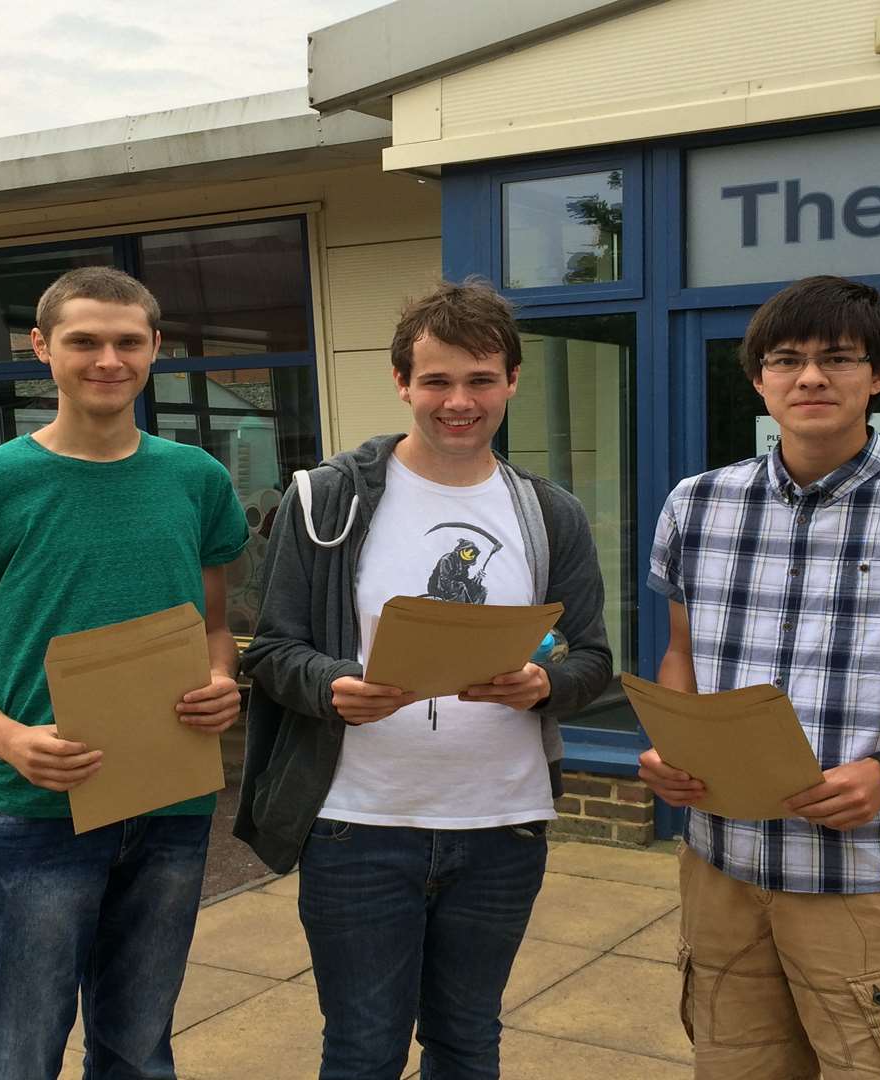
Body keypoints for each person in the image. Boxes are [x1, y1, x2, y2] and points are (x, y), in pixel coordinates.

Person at [637, 275, 880, 1079]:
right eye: (786, 360)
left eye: (838, 358)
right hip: (725, 864)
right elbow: (682, 653)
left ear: (879, 375)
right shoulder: (697, 505)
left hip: (871, 872)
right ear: (758, 378)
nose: (810, 378)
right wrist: (671, 748)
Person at [237, 279, 613, 1080]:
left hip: (503, 825)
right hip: (356, 826)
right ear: (402, 382)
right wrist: (335, 683)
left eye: (481, 380)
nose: (459, 401)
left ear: (512, 381)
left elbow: (593, 662)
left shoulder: (552, 515)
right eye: (437, 380)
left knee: (469, 1043)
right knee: (364, 1052)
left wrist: (544, 686)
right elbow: (270, 652)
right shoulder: (325, 499)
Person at [0, 266, 249, 1080]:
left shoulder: (196, 479)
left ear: (155, 349)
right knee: (22, 1049)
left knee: (138, 1045)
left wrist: (222, 682)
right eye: (84, 341)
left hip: (170, 799)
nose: (108, 358)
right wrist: (8, 737)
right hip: (38, 808)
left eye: (128, 341)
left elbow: (212, 628)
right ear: (41, 348)